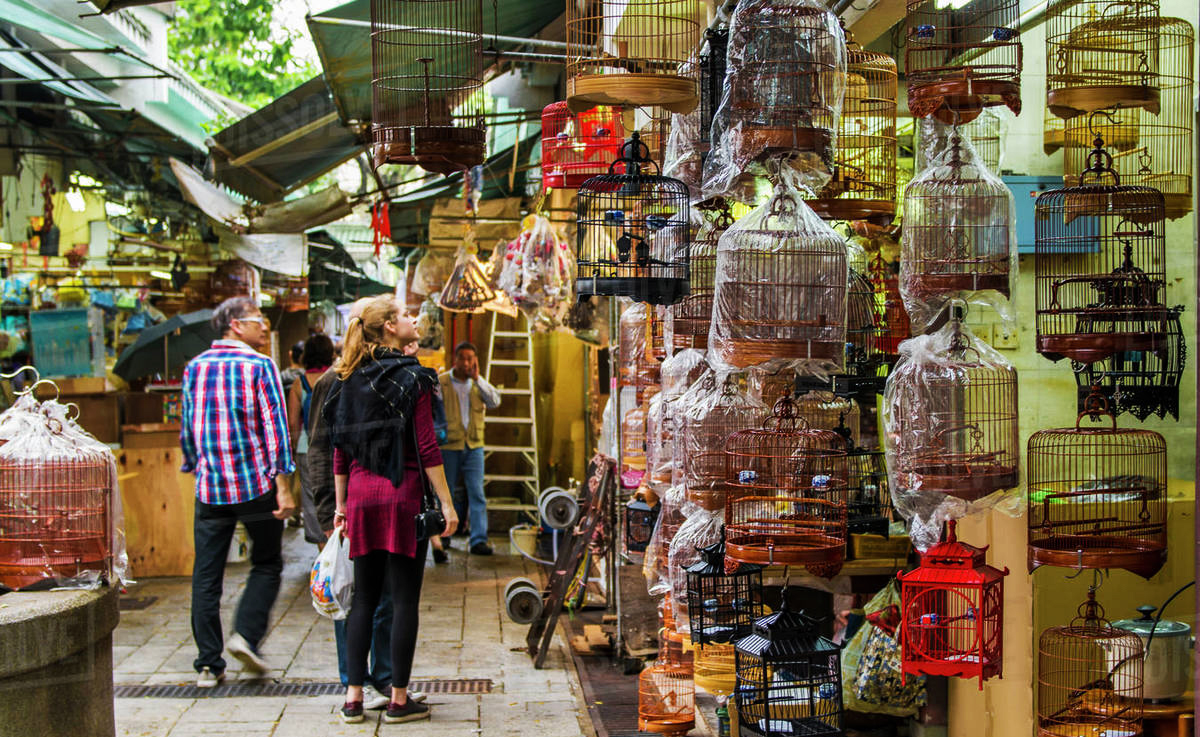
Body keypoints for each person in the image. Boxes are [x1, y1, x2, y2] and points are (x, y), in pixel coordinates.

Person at [324, 294, 458, 724]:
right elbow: (426, 445)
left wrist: (342, 506)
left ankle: (353, 697)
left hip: (362, 499)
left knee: (363, 600)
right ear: (388, 328)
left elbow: (340, 452)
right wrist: (447, 502)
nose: (412, 317)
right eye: (403, 314)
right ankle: (399, 699)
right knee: (404, 601)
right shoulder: (413, 378)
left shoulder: (349, 378)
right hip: (403, 497)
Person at [307, 298, 422, 710]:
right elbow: (324, 450)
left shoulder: (372, 376)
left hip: (357, 501)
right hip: (366, 503)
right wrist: (328, 514)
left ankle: (373, 684)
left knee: (377, 600)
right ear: (384, 327)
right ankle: (361, 684)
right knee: (358, 597)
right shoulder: (336, 382)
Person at [180, 297, 296, 688]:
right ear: (234, 325)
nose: (264, 327)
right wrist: (283, 485)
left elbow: (188, 430)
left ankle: (208, 665)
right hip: (255, 487)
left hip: (210, 489)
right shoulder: (260, 367)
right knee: (267, 563)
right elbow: (275, 430)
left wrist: (197, 468)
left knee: (206, 575)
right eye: (257, 321)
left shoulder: (194, 368)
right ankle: (245, 635)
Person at [437, 341, 501, 556]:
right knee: (447, 493)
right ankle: (444, 536)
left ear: (475, 361)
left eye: (470, 359)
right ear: (455, 359)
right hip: (449, 445)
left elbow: (494, 402)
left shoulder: (478, 384)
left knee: (477, 492)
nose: (466, 363)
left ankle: (478, 539)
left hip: (474, 445)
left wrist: (478, 378)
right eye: (462, 358)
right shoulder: (442, 382)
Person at [289, 334, 334, 545]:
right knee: (340, 496)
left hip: (307, 448)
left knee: (312, 498)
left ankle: (323, 549)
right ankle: (341, 546)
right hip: (337, 448)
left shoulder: (300, 384)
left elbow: (292, 422)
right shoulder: (338, 377)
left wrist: (291, 449)